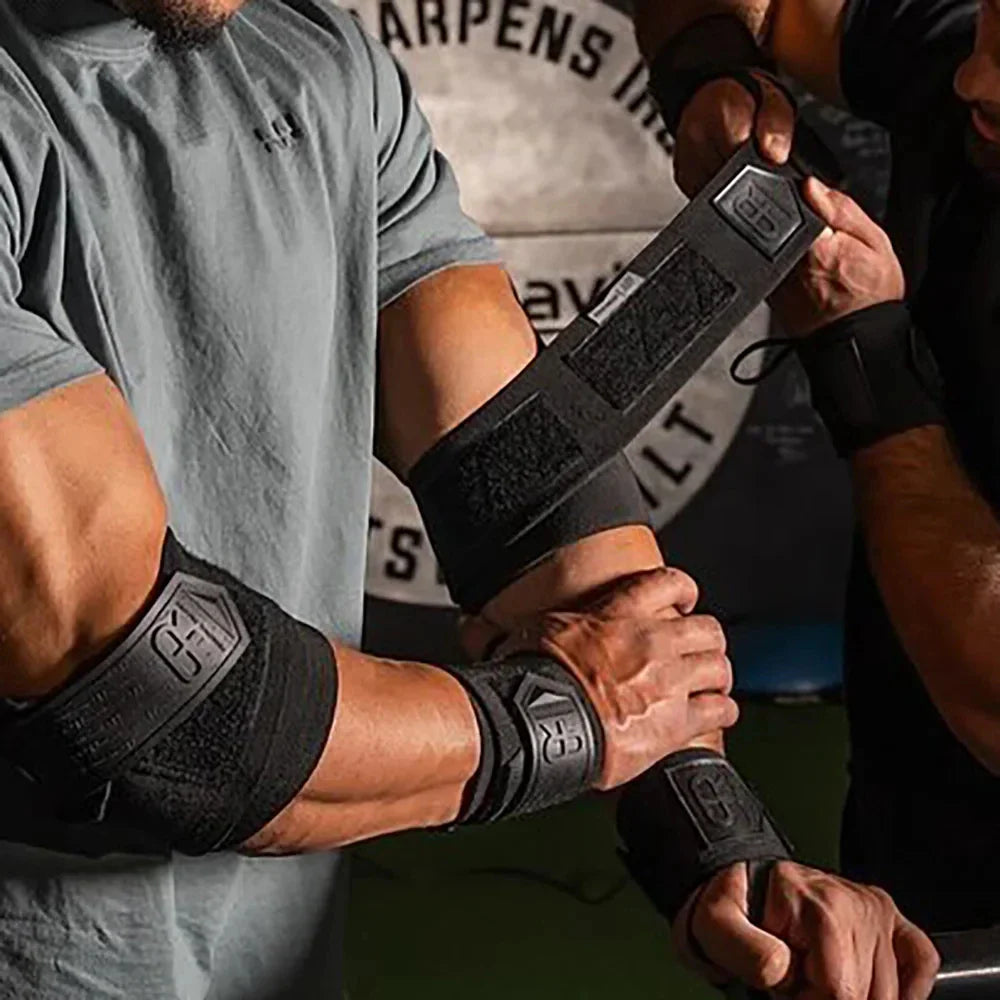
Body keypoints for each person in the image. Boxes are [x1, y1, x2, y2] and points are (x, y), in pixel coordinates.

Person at [0, 0, 936, 997]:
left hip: (273, 962)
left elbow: (526, 484)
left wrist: (720, 846)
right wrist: (564, 715)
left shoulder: (319, 65)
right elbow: (165, 708)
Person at [629, 0, 1000, 981]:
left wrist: (862, 361)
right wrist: (711, 74)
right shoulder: (960, 67)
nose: (976, 79)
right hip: (904, 853)